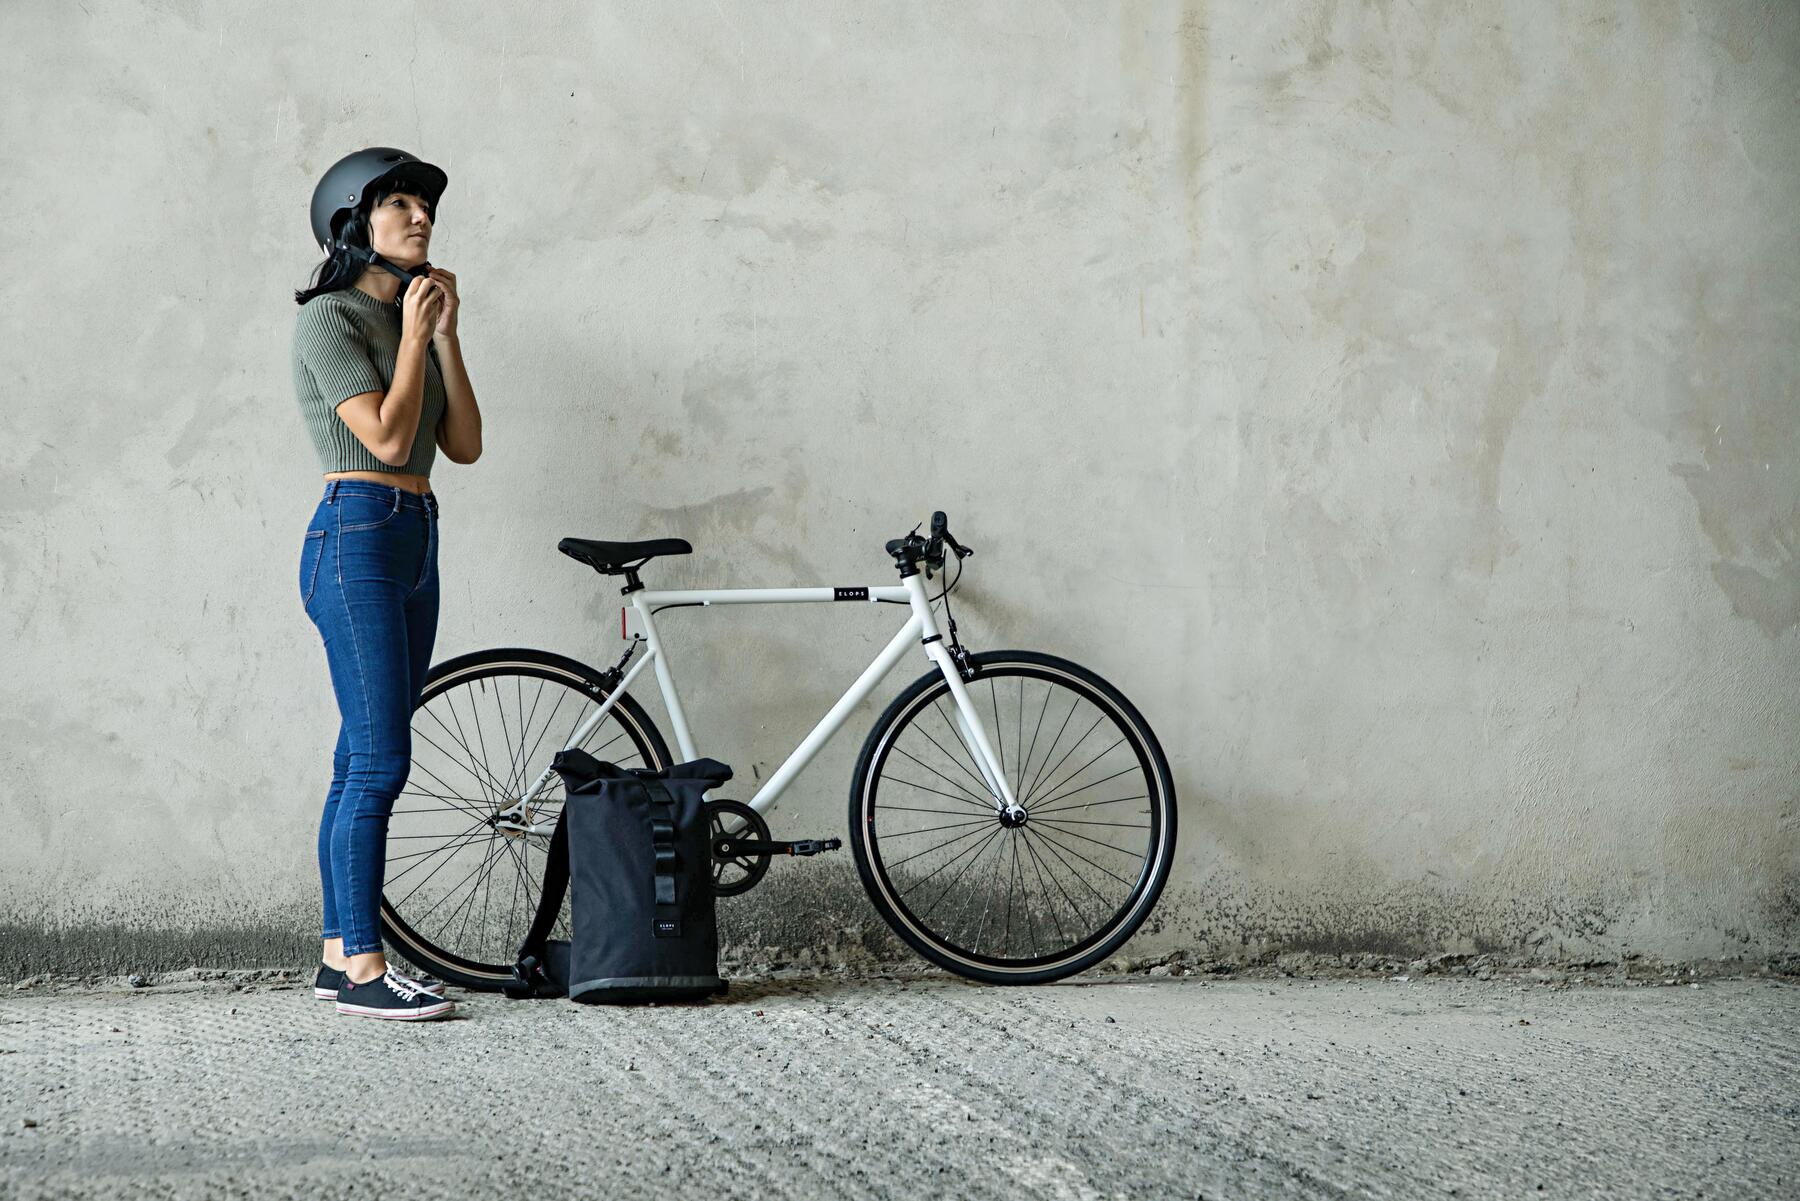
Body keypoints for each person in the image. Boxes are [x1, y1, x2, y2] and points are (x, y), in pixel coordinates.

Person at [291, 148, 482, 1019]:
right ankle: (366, 970)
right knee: (379, 760)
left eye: (425, 207)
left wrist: (443, 334)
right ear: (350, 224)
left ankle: (338, 955)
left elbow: (466, 444)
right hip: (354, 534)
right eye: (398, 204)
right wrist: (409, 336)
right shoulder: (329, 323)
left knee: (357, 756)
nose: (420, 219)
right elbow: (391, 440)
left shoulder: (416, 323)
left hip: (415, 538)